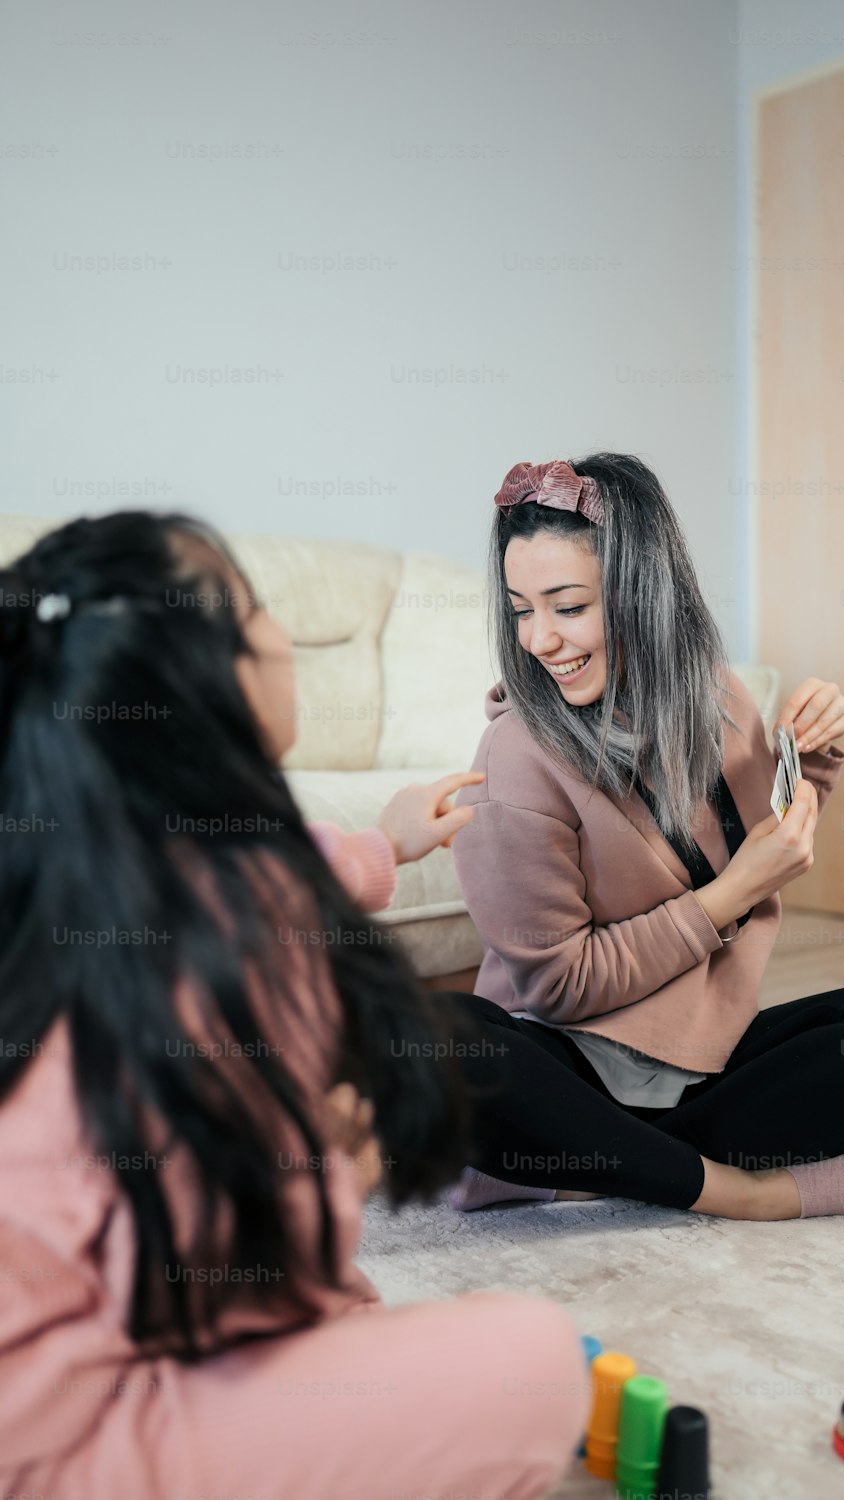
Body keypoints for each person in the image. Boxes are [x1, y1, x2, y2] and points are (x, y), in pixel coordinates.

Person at [0, 511, 589, 1500]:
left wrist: (390, 844)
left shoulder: (86, 863)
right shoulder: (228, 952)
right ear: (205, 678)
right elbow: (229, 1281)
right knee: (531, 1362)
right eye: (253, 608)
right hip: (62, 1442)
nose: (278, 633)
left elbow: (299, 868)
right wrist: (330, 1173)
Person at [440, 453, 844, 1220]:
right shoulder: (516, 756)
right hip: (564, 1060)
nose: (541, 640)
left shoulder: (718, 696)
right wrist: (732, 895)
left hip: (700, 1054)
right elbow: (560, 986)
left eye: (567, 606)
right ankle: (747, 1191)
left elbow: (758, 849)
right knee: (440, 1040)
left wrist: (811, 755)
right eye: (522, 610)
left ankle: (591, 1166)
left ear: (640, 592)